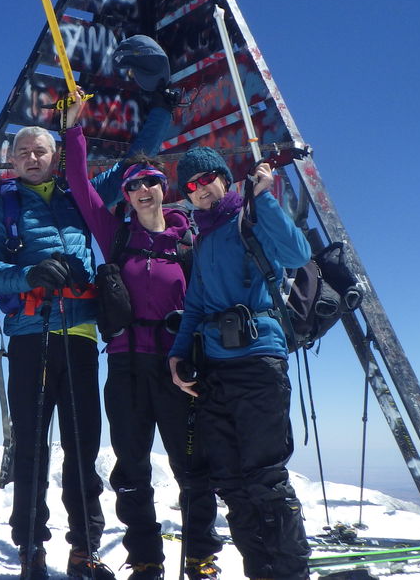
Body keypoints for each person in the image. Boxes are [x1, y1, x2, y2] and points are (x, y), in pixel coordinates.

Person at [0, 93, 169, 580]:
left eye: (40, 151)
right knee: (33, 449)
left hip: (80, 334)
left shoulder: (78, 195)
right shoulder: (2, 208)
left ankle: (84, 549)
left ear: (55, 155)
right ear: (12, 161)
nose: (32, 159)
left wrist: (161, 110)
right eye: (23, 153)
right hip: (30, 337)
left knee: (84, 448)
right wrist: (30, 275)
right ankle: (30, 549)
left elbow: (132, 165)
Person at [63, 118, 221, 580]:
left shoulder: (189, 239)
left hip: (178, 366)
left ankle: (199, 555)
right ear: (127, 196)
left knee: (192, 463)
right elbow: (79, 183)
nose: (145, 189)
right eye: (135, 185)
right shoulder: (116, 236)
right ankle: (146, 557)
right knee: (131, 466)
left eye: (152, 181)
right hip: (126, 364)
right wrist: (73, 133)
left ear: (162, 188)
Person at [166, 146, 312, 580]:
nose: (201, 189)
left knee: (265, 479)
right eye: (190, 186)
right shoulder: (205, 237)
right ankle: (260, 572)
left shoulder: (248, 219)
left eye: (208, 178)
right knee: (230, 482)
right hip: (215, 370)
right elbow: (194, 304)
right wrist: (177, 354)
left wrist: (264, 197)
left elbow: (298, 255)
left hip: (258, 362)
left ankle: (290, 574)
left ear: (225, 179)